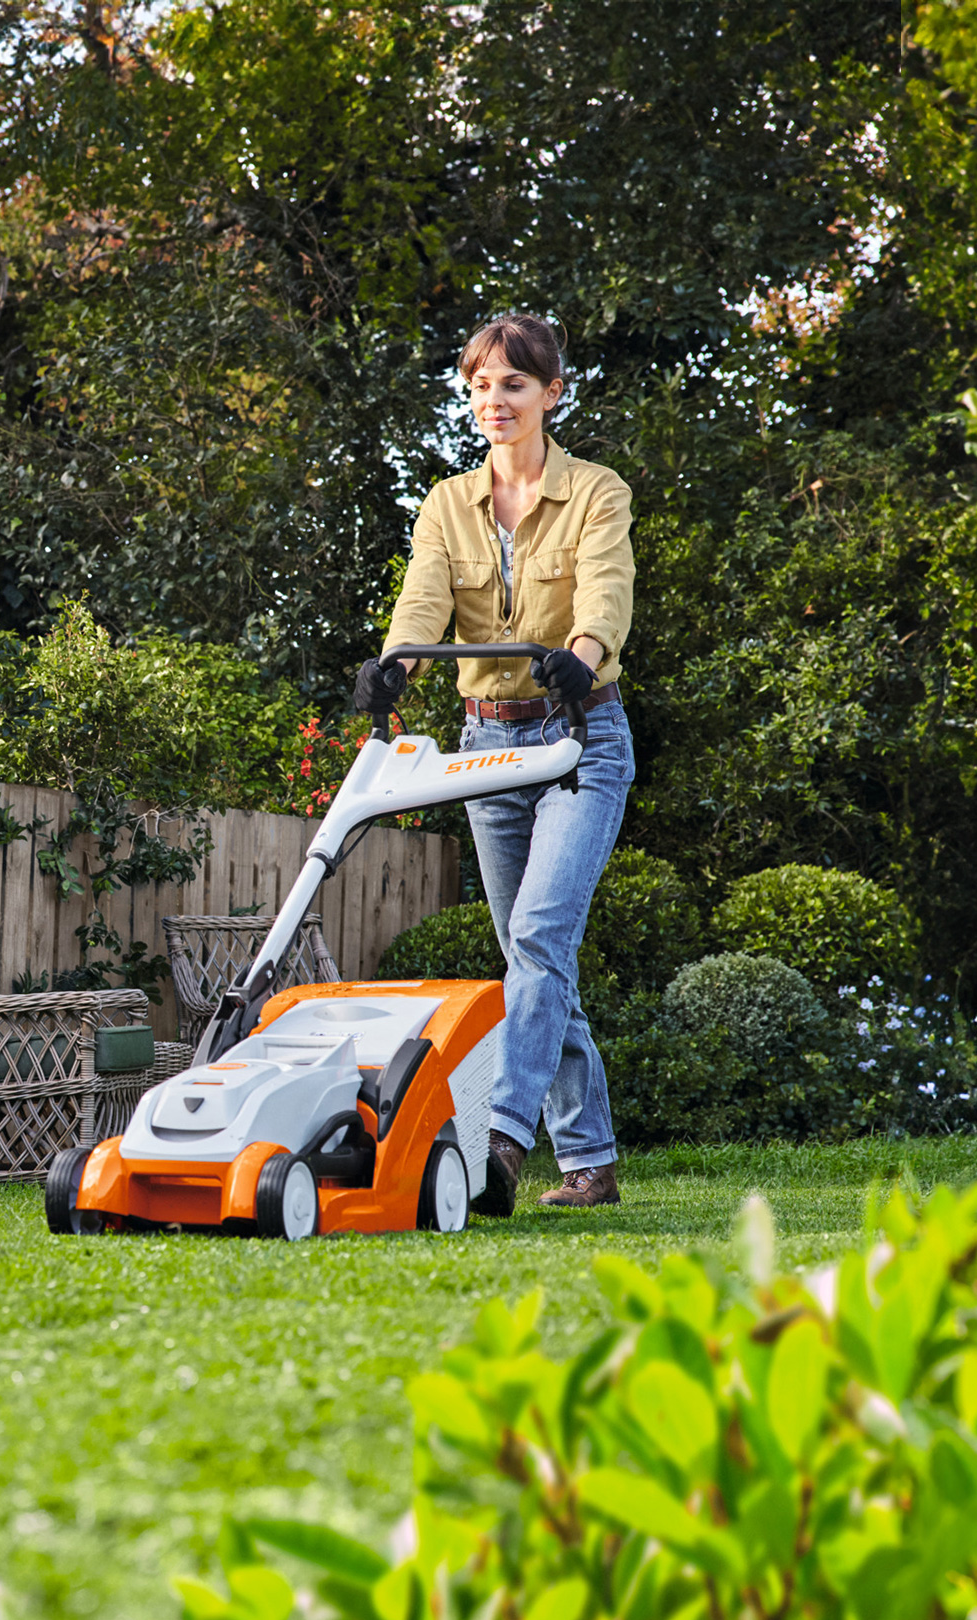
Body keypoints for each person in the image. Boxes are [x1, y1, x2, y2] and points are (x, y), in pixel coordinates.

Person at [352, 313, 633, 1212]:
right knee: (531, 956)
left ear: (552, 392)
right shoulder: (446, 504)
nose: (493, 401)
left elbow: (605, 593)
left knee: (540, 942)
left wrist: (579, 654)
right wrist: (395, 661)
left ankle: (502, 1143)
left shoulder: (596, 492)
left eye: (512, 384)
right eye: (479, 386)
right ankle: (591, 1160)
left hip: (579, 738)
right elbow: (424, 599)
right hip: (484, 748)